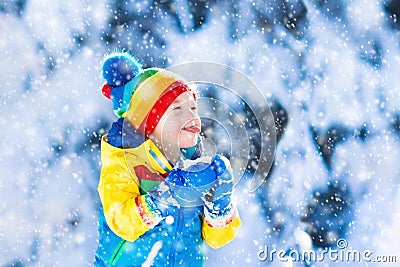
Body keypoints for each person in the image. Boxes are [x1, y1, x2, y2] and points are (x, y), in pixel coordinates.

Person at [94, 52, 242, 267]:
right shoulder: (124, 162)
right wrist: (163, 198)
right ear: (149, 124)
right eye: (177, 109)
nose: (192, 115)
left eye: (193, 107)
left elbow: (217, 239)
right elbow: (121, 222)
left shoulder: (196, 166)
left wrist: (220, 206)